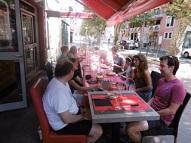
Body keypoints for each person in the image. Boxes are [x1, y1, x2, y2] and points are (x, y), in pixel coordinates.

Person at [126, 55, 186, 143]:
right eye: (160, 65)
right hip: (152, 112)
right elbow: (154, 97)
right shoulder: (162, 80)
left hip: (161, 119)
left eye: (162, 66)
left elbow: (172, 110)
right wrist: (146, 107)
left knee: (131, 129)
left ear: (172, 68)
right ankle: (135, 137)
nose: (159, 68)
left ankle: (135, 137)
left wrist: (152, 114)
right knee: (128, 113)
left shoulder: (178, 87)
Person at [42, 60, 103, 143]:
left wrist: (80, 109)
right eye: (73, 70)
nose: (75, 72)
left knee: (96, 113)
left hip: (70, 115)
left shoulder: (61, 81)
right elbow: (67, 119)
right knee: (98, 130)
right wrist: (84, 116)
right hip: (64, 126)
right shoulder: (58, 92)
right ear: (69, 73)